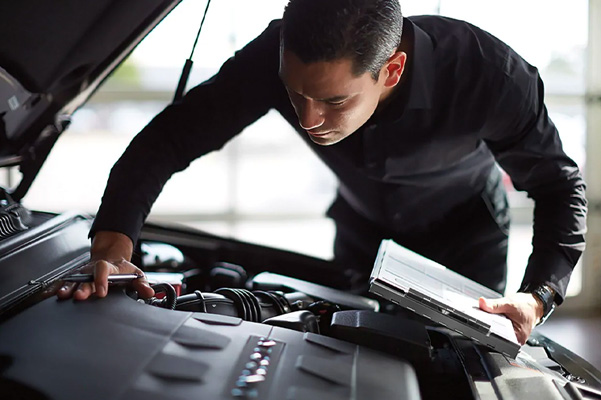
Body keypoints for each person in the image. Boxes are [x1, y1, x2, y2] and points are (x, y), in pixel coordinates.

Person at [58, 0, 587, 345]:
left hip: (465, 234)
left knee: (456, 369)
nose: (310, 120)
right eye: (296, 95)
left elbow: (559, 184)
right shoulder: (273, 53)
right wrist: (113, 244)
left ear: (392, 71)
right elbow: (172, 137)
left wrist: (538, 295)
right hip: (362, 229)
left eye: (334, 100)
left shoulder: (488, 75)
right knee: (347, 351)